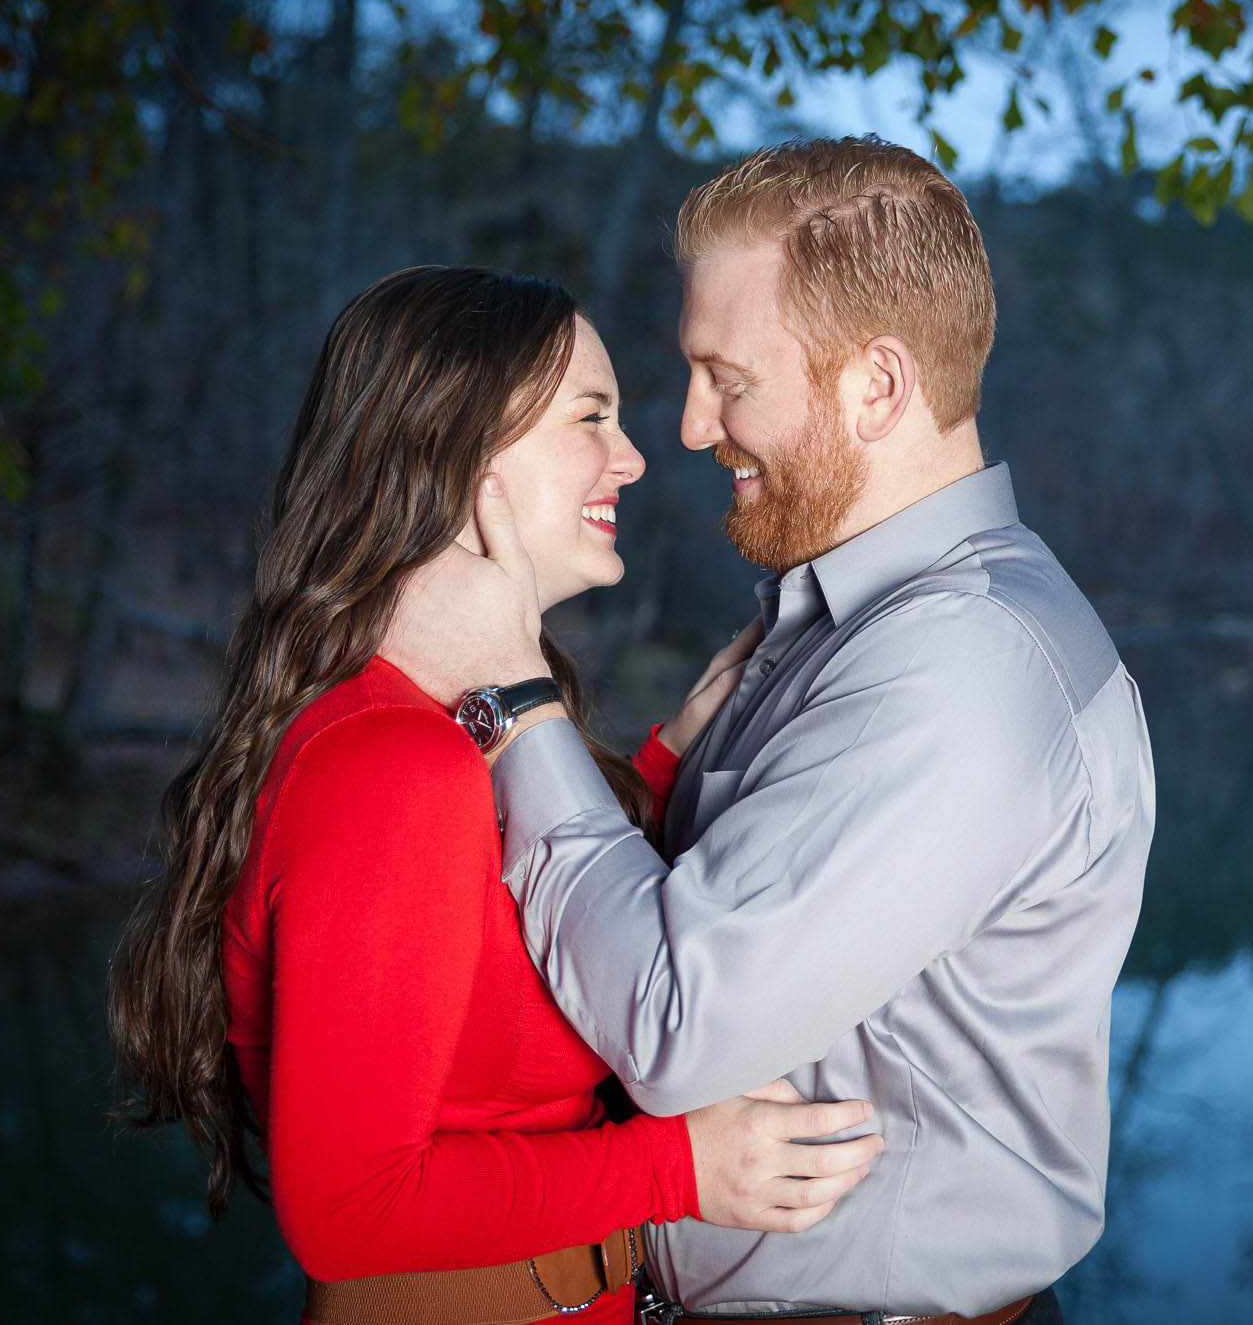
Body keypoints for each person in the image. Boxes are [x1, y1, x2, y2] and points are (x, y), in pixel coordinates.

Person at [382, 138, 1157, 1324]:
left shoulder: (964, 666)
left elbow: (675, 1022)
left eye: (727, 379)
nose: (692, 428)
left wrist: (510, 697)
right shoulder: (844, 625)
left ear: (875, 388)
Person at [108, 266, 884, 1325]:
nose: (635, 457)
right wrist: (683, 1166)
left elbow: (486, 960)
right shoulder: (393, 766)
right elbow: (347, 1210)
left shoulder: (439, 735)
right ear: (458, 446)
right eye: (591, 417)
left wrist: (658, 772)